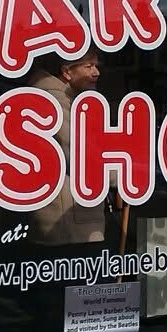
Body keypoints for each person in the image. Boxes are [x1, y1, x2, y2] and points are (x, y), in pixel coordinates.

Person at [27, 50, 105, 245]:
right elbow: (79, 154)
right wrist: (123, 174)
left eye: (96, 66)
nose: (96, 72)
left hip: (64, 208)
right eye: (88, 66)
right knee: (83, 262)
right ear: (67, 72)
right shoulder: (57, 101)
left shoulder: (63, 97)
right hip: (67, 211)